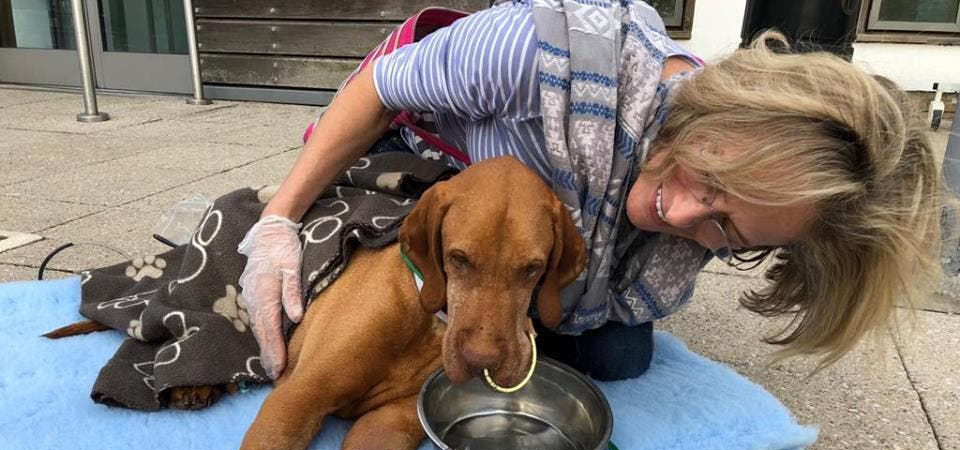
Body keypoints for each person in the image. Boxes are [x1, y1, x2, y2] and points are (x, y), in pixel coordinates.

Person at [237, 0, 943, 383]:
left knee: (618, 359)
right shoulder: (542, 51)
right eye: (716, 179)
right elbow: (376, 91)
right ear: (732, 109)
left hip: (523, 223)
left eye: (730, 234)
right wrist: (276, 222)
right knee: (382, 312)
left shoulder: (700, 201)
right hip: (411, 157)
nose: (682, 214)